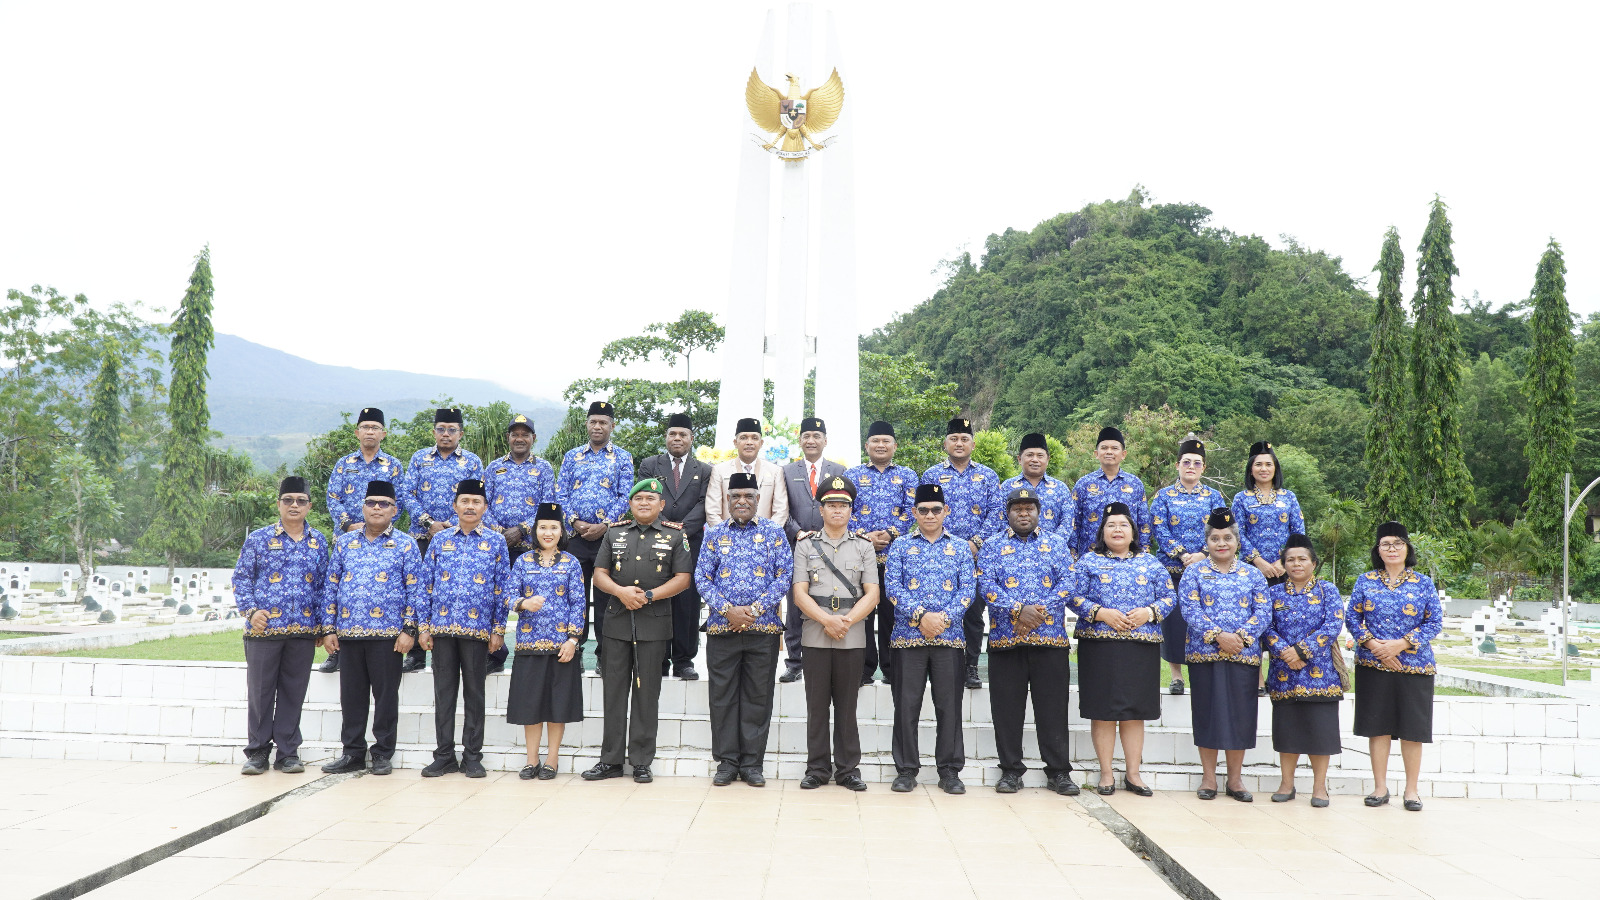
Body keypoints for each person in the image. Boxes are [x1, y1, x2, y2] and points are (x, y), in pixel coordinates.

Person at [581, 479, 693, 784]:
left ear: (661, 505)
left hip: (654, 623)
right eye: (638, 498)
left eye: (650, 498)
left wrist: (648, 596)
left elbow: (683, 578)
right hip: (616, 621)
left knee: (647, 695)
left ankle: (642, 761)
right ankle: (611, 761)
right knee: (613, 693)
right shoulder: (614, 533)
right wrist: (621, 592)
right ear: (630, 504)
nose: (644, 503)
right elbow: (599, 574)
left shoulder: (674, 536)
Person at [1068, 501, 1174, 797]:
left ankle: (1133, 774)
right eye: (1111, 525)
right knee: (1102, 711)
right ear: (1102, 531)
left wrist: (1149, 613)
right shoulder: (1087, 562)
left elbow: (1169, 597)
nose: (1117, 529)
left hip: (1140, 648)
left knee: (1133, 712)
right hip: (1099, 647)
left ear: (1134, 532)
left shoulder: (1150, 563)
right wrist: (1101, 613)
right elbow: (1072, 595)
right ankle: (1105, 774)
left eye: (1123, 525)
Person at [978, 485, 1079, 796]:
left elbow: (1069, 581)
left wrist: (1039, 612)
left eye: (1029, 508)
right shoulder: (992, 545)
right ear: (1007, 513)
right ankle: (1010, 770)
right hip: (1005, 640)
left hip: (1050, 640)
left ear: (1038, 512)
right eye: (1017, 509)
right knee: (1006, 709)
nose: (1023, 513)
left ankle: (1059, 772)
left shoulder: (1056, 545)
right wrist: (1018, 610)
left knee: (1052, 709)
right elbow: (984, 582)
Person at [320, 481, 423, 776]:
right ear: (363, 507)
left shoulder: (405, 544)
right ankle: (352, 752)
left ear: (394, 510)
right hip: (349, 634)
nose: (377, 508)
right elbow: (331, 586)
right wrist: (329, 628)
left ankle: (381, 753)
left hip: (388, 636)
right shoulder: (344, 542)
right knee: (352, 697)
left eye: (383, 504)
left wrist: (409, 630)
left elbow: (415, 590)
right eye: (371, 503)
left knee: (386, 696)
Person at [696, 472, 791, 786]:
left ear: (757, 499)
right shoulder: (714, 534)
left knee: (757, 696)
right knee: (721, 697)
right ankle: (727, 762)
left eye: (748, 496)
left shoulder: (774, 533)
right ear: (727, 499)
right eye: (735, 496)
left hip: (762, 630)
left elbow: (784, 576)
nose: (741, 501)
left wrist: (754, 610)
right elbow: (701, 578)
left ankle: (751, 764)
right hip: (722, 629)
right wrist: (727, 610)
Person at [233, 476, 329, 775]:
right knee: (260, 692)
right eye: (288, 500)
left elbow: (326, 586)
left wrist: (324, 626)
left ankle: (288, 752)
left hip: (302, 631)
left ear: (309, 506)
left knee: (293, 692)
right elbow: (241, 578)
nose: (294, 505)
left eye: (301, 501)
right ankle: (258, 752)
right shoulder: (259, 539)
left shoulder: (319, 541)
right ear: (279, 504)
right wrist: (250, 611)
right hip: (264, 630)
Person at [791, 475, 880, 790]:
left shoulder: (864, 546)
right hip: (816, 632)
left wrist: (846, 620)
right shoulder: (805, 545)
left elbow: (872, 593)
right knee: (816, 705)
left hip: (852, 634)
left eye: (843, 505)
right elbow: (799, 593)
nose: (837, 510)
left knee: (847, 706)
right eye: (832, 505)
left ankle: (847, 770)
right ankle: (816, 768)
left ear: (851, 510)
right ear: (822, 508)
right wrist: (827, 620)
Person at [885, 483, 973, 794]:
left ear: (946, 511)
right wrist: (922, 617)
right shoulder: (900, 547)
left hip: (949, 639)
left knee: (949, 707)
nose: (930, 514)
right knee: (906, 707)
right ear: (914, 513)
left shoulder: (961, 547)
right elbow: (893, 588)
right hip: (909, 639)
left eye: (936, 509)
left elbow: (968, 592)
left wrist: (942, 620)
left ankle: (949, 770)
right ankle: (906, 770)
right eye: (923, 509)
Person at [417, 479, 508, 779]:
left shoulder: (496, 542)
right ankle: (443, 755)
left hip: (478, 631)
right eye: (464, 501)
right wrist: (423, 626)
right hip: (441, 630)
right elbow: (425, 586)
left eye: (476, 501)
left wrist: (498, 629)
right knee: (444, 694)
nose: (470, 506)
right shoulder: (440, 541)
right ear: (455, 506)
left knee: (474, 694)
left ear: (485, 507)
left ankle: (472, 756)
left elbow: (501, 589)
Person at [1348, 522, 1442, 812]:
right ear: (1378, 550)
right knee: (1379, 728)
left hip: (1413, 666)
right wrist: (1376, 647)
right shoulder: (1365, 581)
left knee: (1413, 730)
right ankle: (1380, 787)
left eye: (1398, 543)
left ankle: (1411, 791)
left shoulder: (1423, 583)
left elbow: (1434, 621)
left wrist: (1401, 644)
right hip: (1373, 665)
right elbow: (1353, 618)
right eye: (1386, 544)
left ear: (1407, 549)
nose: (1392, 549)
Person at [1179, 507, 1269, 802]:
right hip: (1204, 654)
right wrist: (1218, 637)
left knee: (1240, 717)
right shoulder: (1194, 572)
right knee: (1207, 715)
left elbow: (1263, 611)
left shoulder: (1252, 574)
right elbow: (1190, 609)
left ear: (1237, 542)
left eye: (1227, 538)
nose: (1221, 543)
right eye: (1215, 538)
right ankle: (1208, 779)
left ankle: (1235, 779)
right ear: (1206, 542)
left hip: (1242, 656)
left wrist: (1240, 639)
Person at [505, 502, 586, 780]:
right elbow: (507, 596)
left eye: (553, 527)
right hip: (528, 644)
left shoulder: (572, 563)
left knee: (557, 705)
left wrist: (573, 640)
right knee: (530, 705)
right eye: (543, 527)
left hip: (561, 646)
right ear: (535, 531)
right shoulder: (523, 561)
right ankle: (531, 760)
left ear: (561, 531)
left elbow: (578, 604)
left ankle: (552, 759)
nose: (548, 532)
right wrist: (524, 602)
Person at [1263, 533, 1345, 808]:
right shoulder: (1272, 593)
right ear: (1284, 564)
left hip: (1320, 674)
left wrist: (1302, 652)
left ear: (1313, 563)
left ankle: (1320, 787)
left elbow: (1332, 625)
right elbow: (1266, 627)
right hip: (1283, 673)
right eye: (1290, 560)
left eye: (1302, 559)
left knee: (1320, 733)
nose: (1296, 564)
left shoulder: (1327, 591)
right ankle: (1287, 784)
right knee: (1287, 733)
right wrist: (1286, 652)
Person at [400, 408, 484, 673]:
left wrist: (449, 524)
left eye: (452, 429)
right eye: (441, 429)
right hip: (421, 537)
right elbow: (407, 494)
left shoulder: (471, 462)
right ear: (434, 431)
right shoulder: (419, 458)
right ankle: (415, 652)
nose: (446, 434)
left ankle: (453, 645)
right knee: (419, 591)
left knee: (453, 589)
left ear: (460, 432)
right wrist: (429, 523)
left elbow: (474, 498)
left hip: (459, 538)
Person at [320, 407, 403, 674]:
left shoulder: (393, 466)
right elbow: (332, 497)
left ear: (383, 434)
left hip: (382, 541)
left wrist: (378, 523)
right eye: (365, 427)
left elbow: (399, 502)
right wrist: (349, 524)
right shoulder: (344, 464)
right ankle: (337, 652)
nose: (370, 431)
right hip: (348, 539)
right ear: (357, 432)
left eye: (375, 427)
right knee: (342, 591)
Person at [554, 401, 635, 673]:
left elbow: (626, 496)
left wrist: (604, 524)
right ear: (587, 424)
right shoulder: (572, 456)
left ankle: (604, 655)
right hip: (575, 537)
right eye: (593, 422)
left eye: (603, 422)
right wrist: (575, 521)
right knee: (574, 596)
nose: (598, 426)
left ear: (612, 426)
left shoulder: (623, 457)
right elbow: (561, 493)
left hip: (607, 538)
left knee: (605, 599)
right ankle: (573, 651)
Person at [921, 416, 1001, 690]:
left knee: (973, 613)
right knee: (942, 608)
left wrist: (975, 543)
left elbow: (996, 514)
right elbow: (926, 511)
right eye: (954, 438)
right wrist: (952, 545)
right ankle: (944, 666)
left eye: (964, 439)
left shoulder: (988, 475)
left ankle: (970, 667)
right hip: (940, 557)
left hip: (977, 557)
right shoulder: (932, 475)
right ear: (945, 443)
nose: (959, 443)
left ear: (973, 444)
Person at [636, 412, 712, 680]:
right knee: (656, 598)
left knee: (686, 603)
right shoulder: (649, 465)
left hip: (690, 543)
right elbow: (646, 499)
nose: (677, 438)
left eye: (683, 434)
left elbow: (705, 503)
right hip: (655, 540)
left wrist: (681, 529)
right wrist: (667, 526)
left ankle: (683, 660)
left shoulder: (704, 470)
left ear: (691, 439)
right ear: (666, 437)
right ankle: (657, 659)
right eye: (672, 434)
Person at [1150, 439, 1227, 696]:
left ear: (1204, 467)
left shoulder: (1214, 497)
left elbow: (1221, 531)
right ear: (1177, 465)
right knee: (1174, 623)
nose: (1191, 467)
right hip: (1172, 569)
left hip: (1206, 570)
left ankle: (1203, 672)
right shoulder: (1163, 496)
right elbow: (1158, 529)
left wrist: (1203, 554)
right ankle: (1175, 676)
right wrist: (1183, 554)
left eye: (1196, 463)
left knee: (1204, 620)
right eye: (1186, 462)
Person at [844, 420, 917, 685]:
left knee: (891, 613)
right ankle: (863, 670)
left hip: (895, 556)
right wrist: (865, 535)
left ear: (895, 446)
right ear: (867, 446)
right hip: (859, 556)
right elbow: (843, 509)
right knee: (862, 613)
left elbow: (913, 509)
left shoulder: (908, 475)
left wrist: (890, 533)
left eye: (886, 441)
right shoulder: (852, 475)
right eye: (875, 441)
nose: (881, 445)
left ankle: (890, 668)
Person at [483, 412, 556, 674]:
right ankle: (495, 653)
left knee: (531, 599)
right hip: (497, 544)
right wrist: (500, 531)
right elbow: (484, 503)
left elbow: (548, 504)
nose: (520, 438)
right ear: (508, 438)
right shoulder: (493, 467)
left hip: (529, 547)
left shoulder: (544, 468)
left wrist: (522, 529)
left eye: (525, 434)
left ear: (533, 438)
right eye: (515, 434)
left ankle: (532, 652)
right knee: (496, 597)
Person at [778, 416, 848, 683]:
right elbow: (782, 509)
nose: (811, 440)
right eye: (806, 436)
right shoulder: (786, 471)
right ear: (800, 441)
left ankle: (826, 660)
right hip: (796, 546)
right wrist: (798, 532)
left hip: (831, 547)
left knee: (828, 600)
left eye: (816, 436)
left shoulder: (839, 471)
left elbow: (842, 507)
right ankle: (794, 662)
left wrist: (824, 534)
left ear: (825, 441)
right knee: (797, 604)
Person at [1070, 426, 1153, 559]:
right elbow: (1074, 523)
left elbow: (1143, 524)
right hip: (1091, 560)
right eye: (1104, 448)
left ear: (1123, 454)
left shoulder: (1135, 484)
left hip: (1128, 560)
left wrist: (1143, 557)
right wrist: (1073, 557)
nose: (1109, 452)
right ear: (1096, 454)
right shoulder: (1083, 484)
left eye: (1114, 448)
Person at [1232, 441, 1306, 585]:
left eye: (1268, 464)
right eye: (1258, 464)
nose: (1263, 469)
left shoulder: (1288, 496)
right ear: (1250, 469)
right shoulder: (1241, 498)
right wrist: (1258, 561)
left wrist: (1284, 561)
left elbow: (1298, 533)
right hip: (1251, 569)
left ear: (1275, 468)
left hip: (1285, 569)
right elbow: (1237, 534)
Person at [705, 416, 789, 527]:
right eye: (744, 438)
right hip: (728, 540)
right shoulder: (719, 471)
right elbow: (712, 511)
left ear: (761, 443)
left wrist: (767, 535)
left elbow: (781, 511)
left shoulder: (775, 471)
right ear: (735, 442)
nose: (749, 442)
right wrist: (726, 536)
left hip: (764, 539)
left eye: (754, 438)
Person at [996, 433, 1075, 540]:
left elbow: (1067, 521)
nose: (1035, 460)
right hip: (1013, 550)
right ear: (1019, 459)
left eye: (1040, 456)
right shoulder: (1007, 487)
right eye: (1029, 455)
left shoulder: (1060, 488)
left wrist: (1053, 544)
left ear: (1047, 459)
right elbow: (1001, 519)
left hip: (1051, 551)